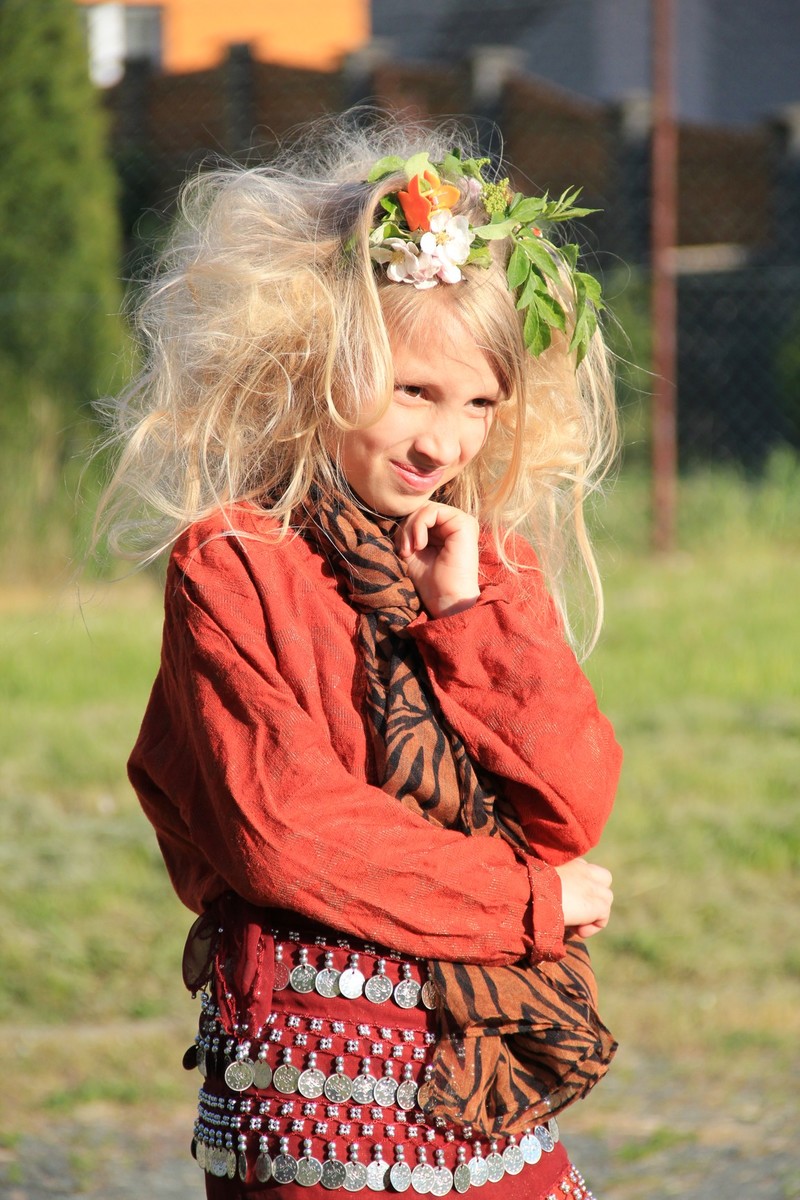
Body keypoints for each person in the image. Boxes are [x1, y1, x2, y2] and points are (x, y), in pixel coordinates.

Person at [98, 112, 622, 1200]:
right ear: (319, 361)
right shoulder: (235, 563)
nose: (444, 443)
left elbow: (570, 803)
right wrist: (525, 902)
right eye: (413, 391)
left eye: (479, 403)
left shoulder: (488, 563)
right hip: (314, 1080)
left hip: (482, 1071)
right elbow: (285, 831)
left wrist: (468, 620)